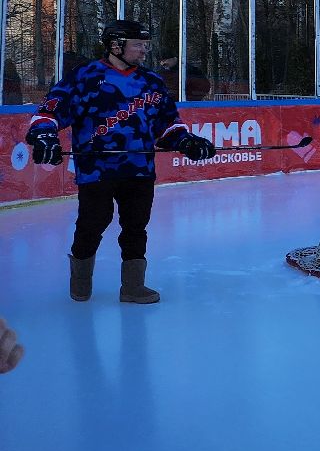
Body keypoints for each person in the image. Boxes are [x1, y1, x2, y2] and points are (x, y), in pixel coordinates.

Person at [27, 19, 215, 303]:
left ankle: (133, 287)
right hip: (96, 170)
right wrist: (44, 137)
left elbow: (166, 125)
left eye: (145, 45)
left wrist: (186, 141)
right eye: (138, 45)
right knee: (92, 224)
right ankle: (80, 279)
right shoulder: (85, 76)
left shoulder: (151, 81)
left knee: (136, 226)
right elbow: (49, 112)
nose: (143, 51)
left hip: (139, 169)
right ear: (116, 45)